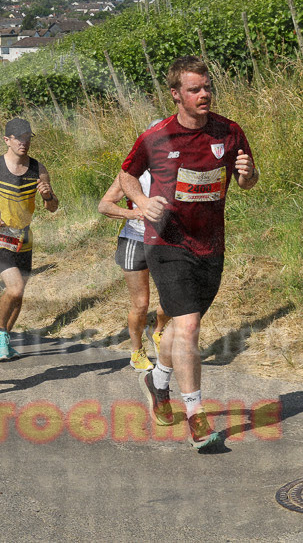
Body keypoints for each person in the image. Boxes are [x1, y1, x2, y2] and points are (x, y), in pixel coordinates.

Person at [123, 56, 258, 450]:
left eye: (207, 87)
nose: (204, 94)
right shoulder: (157, 136)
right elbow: (127, 175)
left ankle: (157, 381)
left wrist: (248, 175)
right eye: (195, 89)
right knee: (189, 326)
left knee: (182, 325)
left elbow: (248, 181)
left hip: (210, 245)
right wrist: (141, 202)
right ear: (176, 94)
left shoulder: (229, 131)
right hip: (166, 242)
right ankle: (196, 415)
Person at [0, 117, 59, 359]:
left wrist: (48, 196)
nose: (23, 142)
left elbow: (52, 208)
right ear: (7, 140)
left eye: (27, 138)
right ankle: (0, 333)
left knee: (19, 293)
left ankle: (3, 337)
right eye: (18, 138)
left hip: (24, 238)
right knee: (14, 288)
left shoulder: (38, 169)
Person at [98, 120, 170, 371]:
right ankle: (137, 351)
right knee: (140, 304)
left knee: (172, 299)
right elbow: (104, 205)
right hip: (135, 240)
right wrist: (134, 213)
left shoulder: (179, 168)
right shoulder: (131, 173)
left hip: (167, 242)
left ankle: (158, 331)